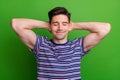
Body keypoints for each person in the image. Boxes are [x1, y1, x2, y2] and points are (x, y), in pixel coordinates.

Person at [11, 7, 111, 80]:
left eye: (64, 24)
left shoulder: (78, 46)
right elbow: (16, 23)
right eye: (55, 24)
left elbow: (105, 28)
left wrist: (74, 25)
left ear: (69, 26)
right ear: (50, 26)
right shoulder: (40, 45)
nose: (60, 28)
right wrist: (48, 25)